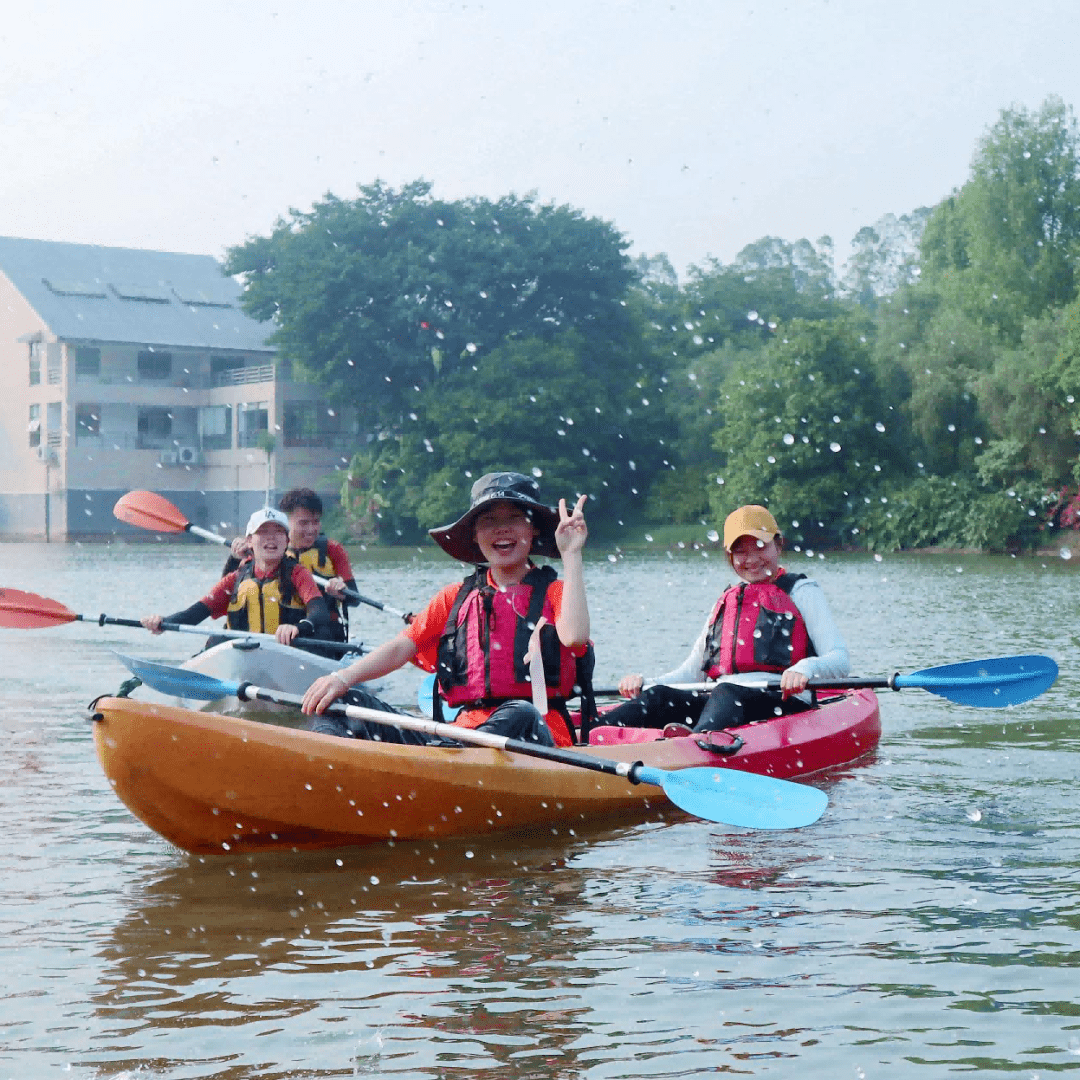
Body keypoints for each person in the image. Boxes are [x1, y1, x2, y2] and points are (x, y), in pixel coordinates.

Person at [301, 471, 590, 748]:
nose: (501, 528)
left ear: (533, 528)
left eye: (514, 518)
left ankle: (456, 760)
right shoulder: (454, 597)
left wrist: (571, 554)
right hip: (460, 737)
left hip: (538, 737)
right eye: (489, 520)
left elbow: (576, 637)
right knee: (345, 703)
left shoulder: (556, 592)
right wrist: (342, 678)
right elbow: (402, 646)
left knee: (520, 712)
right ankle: (322, 767)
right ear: (475, 535)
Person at [601, 504, 850, 735]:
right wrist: (646, 683)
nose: (751, 560)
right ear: (729, 555)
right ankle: (584, 740)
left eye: (760, 547)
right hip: (724, 703)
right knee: (658, 697)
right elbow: (692, 674)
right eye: (740, 552)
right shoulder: (728, 599)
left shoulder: (802, 591)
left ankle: (693, 749)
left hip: (783, 703)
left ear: (779, 544)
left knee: (727, 692)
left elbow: (840, 660)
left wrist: (804, 669)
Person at [141, 508, 338, 646]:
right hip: (247, 652)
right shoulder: (235, 578)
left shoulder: (298, 574)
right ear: (250, 541)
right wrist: (162, 622)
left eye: (278, 532)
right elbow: (194, 614)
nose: (271, 538)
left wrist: (297, 627)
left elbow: (319, 612)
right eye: (263, 532)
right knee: (217, 640)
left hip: (288, 651)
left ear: (286, 541)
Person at [223, 488, 359, 642]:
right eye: (303, 523)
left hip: (320, 631)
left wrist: (342, 592)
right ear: (286, 522)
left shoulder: (333, 550)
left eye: (316, 522)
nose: (311, 529)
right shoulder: (267, 550)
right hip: (275, 632)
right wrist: (234, 558)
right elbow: (229, 594)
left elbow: (355, 598)